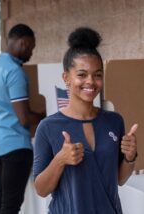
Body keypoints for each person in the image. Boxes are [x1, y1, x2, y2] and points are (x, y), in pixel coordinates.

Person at [33, 27, 138, 214]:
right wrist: (60, 160)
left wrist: (130, 158)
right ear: (66, 78)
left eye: (97, 75)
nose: (90, 81)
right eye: (81, 74)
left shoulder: (114, 121)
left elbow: (119, 179)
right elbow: (41, 190)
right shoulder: (48, 127)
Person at [0, 23, 43, 214]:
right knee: (10, 205)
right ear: (23, 43)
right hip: (16, 146)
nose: (31, 54)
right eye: (31, 48)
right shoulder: (15, 72)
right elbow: (24, 118)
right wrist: (44, 117)